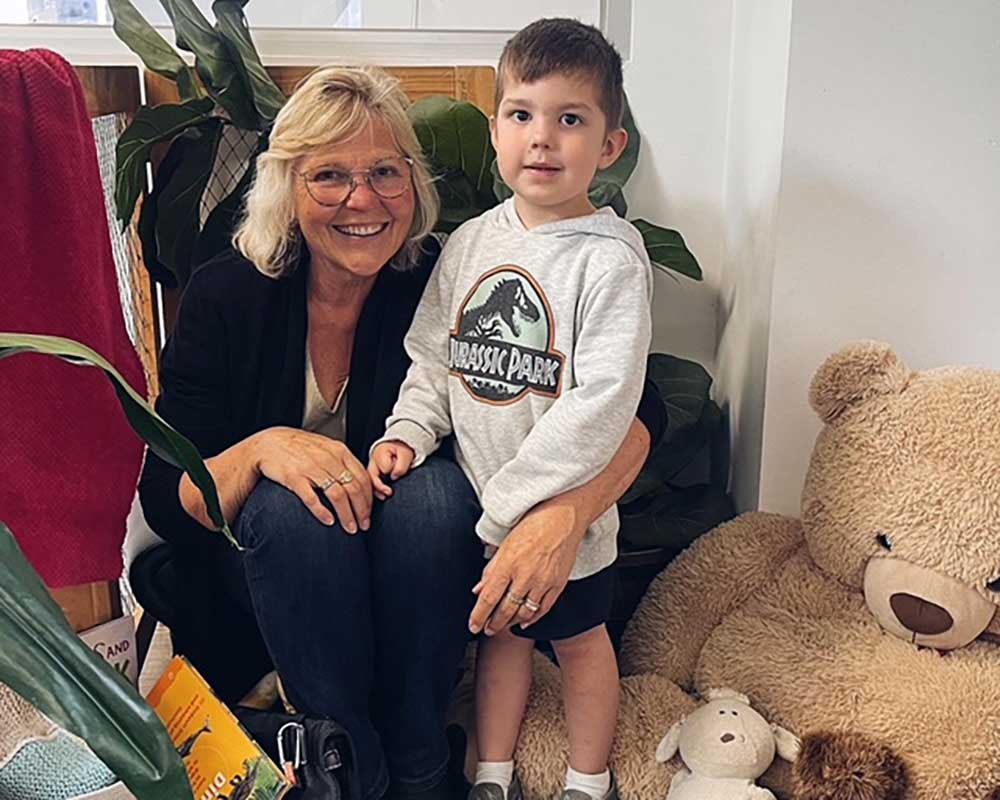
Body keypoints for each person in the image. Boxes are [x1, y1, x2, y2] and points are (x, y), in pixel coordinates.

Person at [138, 65, 664, 800]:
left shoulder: (447, 272)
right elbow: (167, 497)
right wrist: (264, 450)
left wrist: (565, 517)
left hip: (410, 577)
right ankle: (347, 761)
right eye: (329, 176)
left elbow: (642, 410)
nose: (362, 200)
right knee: (294, 505)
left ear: (413, 183)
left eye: (385, 171)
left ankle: (419, 758)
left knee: (437, 495)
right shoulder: (229, 293)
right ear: (288, 188)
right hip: (273, 586)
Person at [368, 19, 649, 800]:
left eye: (570, 119)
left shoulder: (610, 260)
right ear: (495, 129)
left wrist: (517, 508)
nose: (542, 139)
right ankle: (491, 775)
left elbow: (601, 403)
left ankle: (586, 780)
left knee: (581, 641)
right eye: (522, 114)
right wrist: (408, 431)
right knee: (500, 640)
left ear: (610, 145)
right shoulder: (469, 245)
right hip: (489, 507)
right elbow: (434, 355)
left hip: (559, 515)